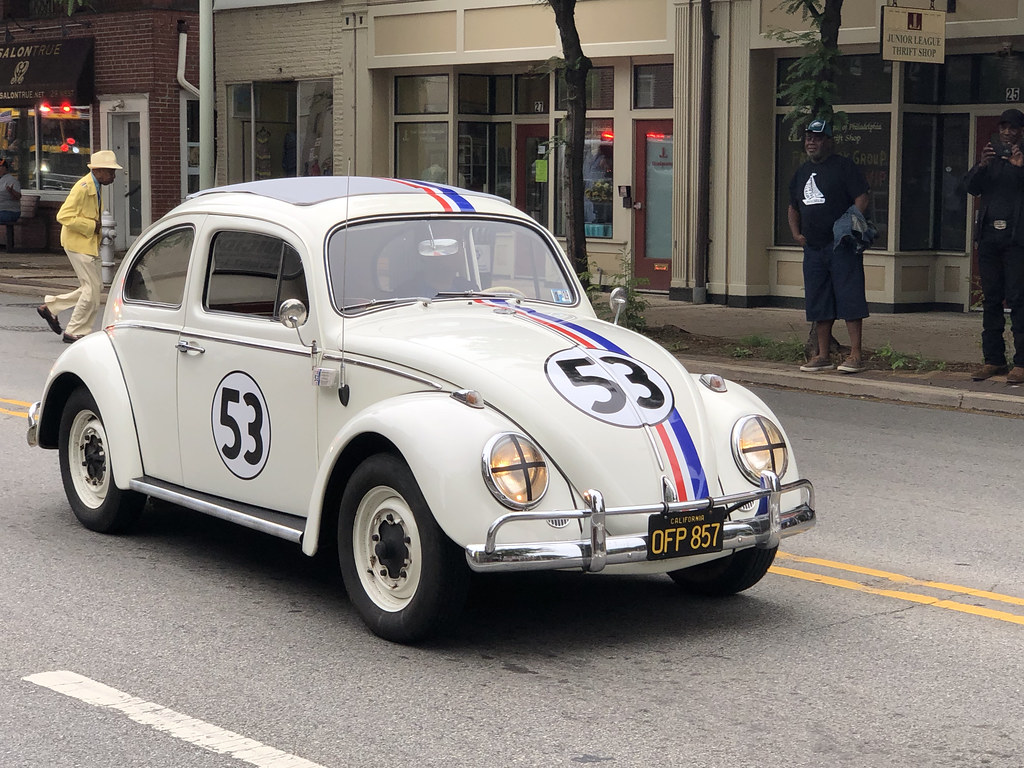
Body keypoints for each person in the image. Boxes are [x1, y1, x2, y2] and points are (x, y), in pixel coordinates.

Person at [787, 118, 871, 374]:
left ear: (828, 141)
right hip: (813, 248)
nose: (811, 142)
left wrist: (848, 223)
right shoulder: (801, 172)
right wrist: (796, 234)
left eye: (817, 137)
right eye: (808, 137)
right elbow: (793, 206)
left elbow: (862, 197)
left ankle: (855, 354)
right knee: (818, 300)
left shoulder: (844, 167)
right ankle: (822, 354)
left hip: (841, 247)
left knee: (849, 297)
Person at [963, 108, 1024, 384]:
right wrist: (981, 165)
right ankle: (993, 360)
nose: (1007, 132)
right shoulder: (992, 158)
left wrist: (1019, 167)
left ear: (1021, 131)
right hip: (988, 237)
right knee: (990, 301)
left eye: (1012, 128)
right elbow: (970, 188)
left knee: (1018, 300)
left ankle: (1021, 363)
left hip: (1016, 240)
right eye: (1003, 127)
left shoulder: (1021, 158)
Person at [37, 150, 122, 343]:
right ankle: (74, 330)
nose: (113, 176)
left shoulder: (94, 185)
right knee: (91, 290)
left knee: (94, 287)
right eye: (110, 172)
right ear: (98, 170)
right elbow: (63, 216)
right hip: (78, 244)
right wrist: (92, 226)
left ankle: (51, 308)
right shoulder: (83, 187)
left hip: (86, 243)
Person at [0, 157, 22, 228]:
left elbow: (18, 197)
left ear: (4, 168)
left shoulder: (11, 180)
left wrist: (11, 191)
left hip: (9, 212)